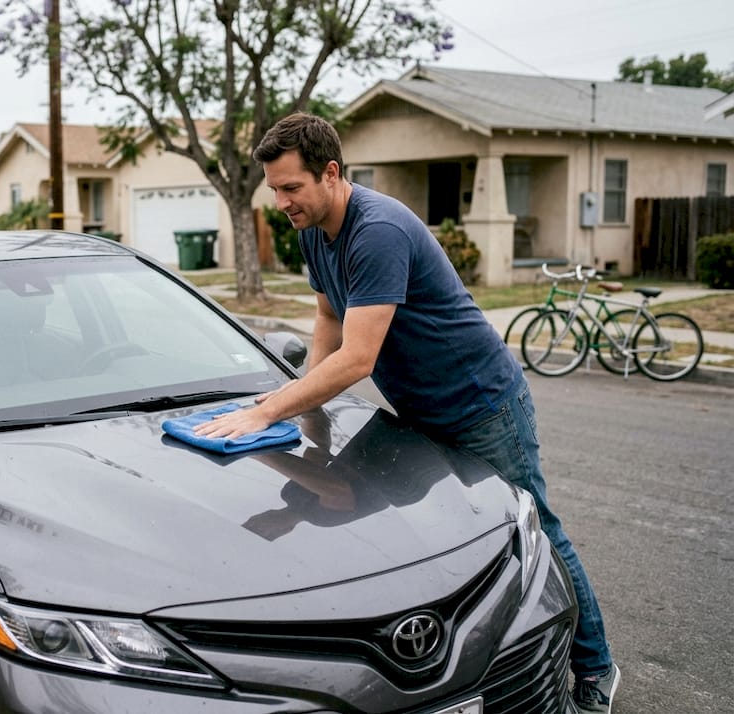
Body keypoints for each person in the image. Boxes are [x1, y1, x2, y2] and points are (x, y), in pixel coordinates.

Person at [194, 112, 619, 712]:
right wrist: (304, 399)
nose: (282, 201)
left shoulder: (379, 229)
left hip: (483, 404)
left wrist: (269, 411)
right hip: (418, 409)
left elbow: (359, 356)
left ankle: (595, 668)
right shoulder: (314, 229)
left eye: (292, 187)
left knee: (537, 534)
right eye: (275, 190)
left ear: (331, 173)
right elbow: (327, 318)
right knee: (431, 536)